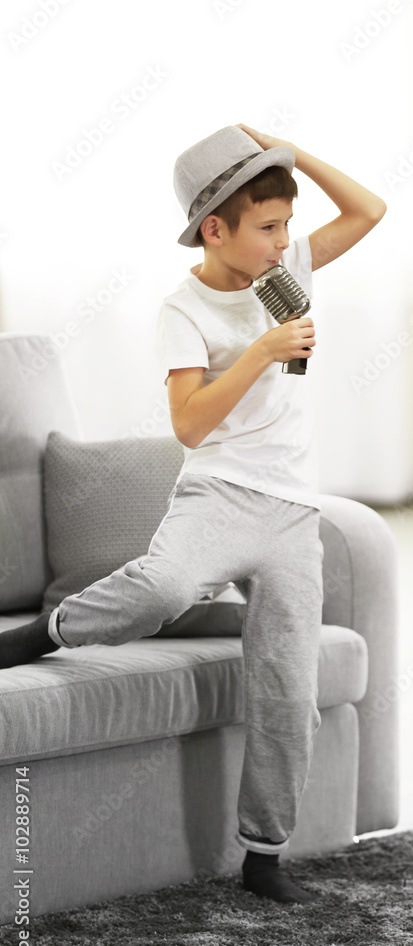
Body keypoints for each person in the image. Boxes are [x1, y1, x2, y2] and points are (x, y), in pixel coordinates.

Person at [0, 123, 386, 904]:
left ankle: (263, 854)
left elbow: (369, 210)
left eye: (287, 224)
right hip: (217, 496)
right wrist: (258, 352)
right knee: (160, 589)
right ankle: (52, 631)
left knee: (286, 680)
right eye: (267, 227)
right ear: (216, 230)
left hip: (291, 513)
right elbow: (188, 426)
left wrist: (290, 155)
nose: (285, 243)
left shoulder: (290, 269)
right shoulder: (183, 310)